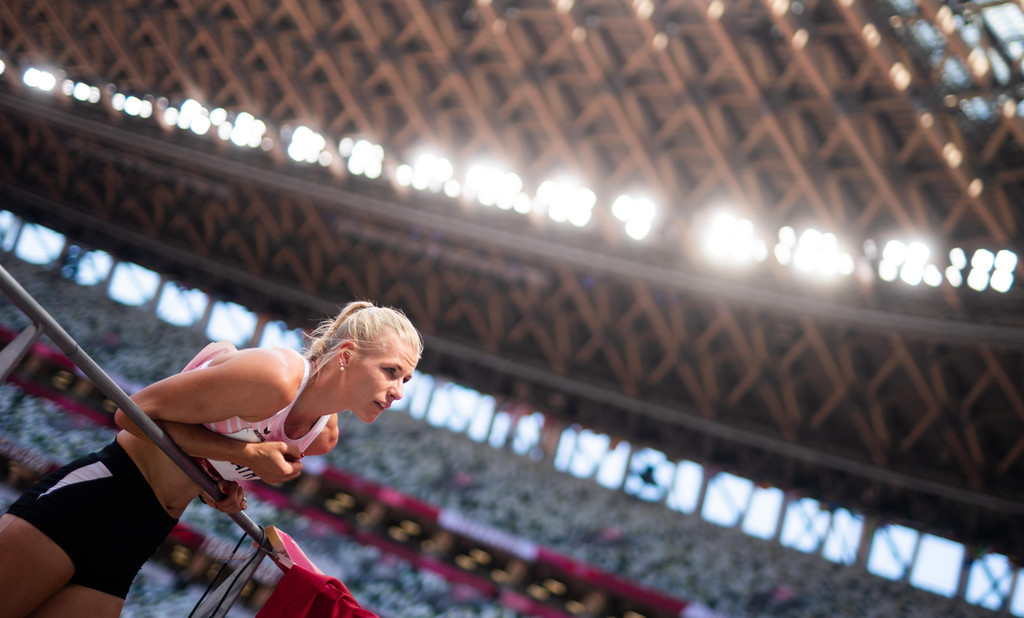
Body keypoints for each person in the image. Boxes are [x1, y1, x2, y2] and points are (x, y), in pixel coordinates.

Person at [0, 300, 422, 617]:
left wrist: (222, 488)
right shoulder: (276, 376)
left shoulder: (322, 437)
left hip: (144, 534)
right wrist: (247, 455)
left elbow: (203, 448)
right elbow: (131, 413)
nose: (399, 392)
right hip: (98, 498)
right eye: (391, 371)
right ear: (346, 355)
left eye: (406, 379)